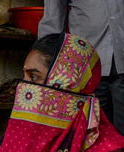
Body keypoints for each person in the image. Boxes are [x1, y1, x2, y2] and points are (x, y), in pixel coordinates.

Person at [39, 0, 124, 130]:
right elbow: (52, 22)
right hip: (87, 67)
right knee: (93, 135)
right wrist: (45, 66)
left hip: (121, 61)